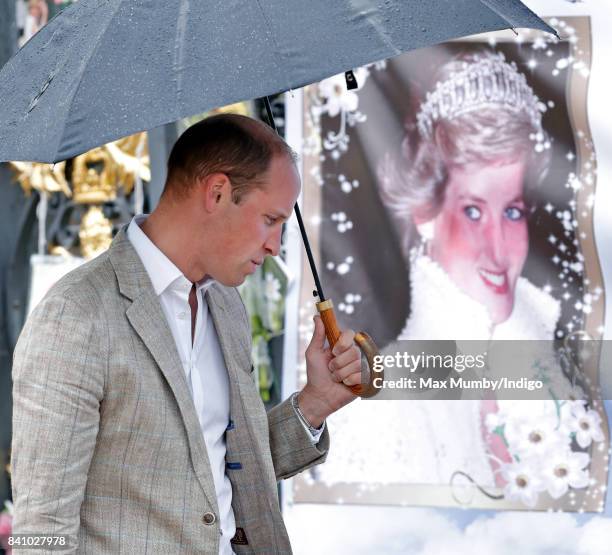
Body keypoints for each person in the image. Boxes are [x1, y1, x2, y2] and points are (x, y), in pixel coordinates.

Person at [11, 114, 364, 554]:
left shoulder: (226, 304)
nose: (275, 245)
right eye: (270, 220)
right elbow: (40, 529)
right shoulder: (76, 316)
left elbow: (221, 469)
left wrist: (316, 403)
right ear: (216, 192)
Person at [317, 50, 575, 491]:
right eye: (473, 211)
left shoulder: (553, 381)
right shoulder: (383, 410)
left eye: (513, 212)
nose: (498, 250)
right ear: (425, 212)